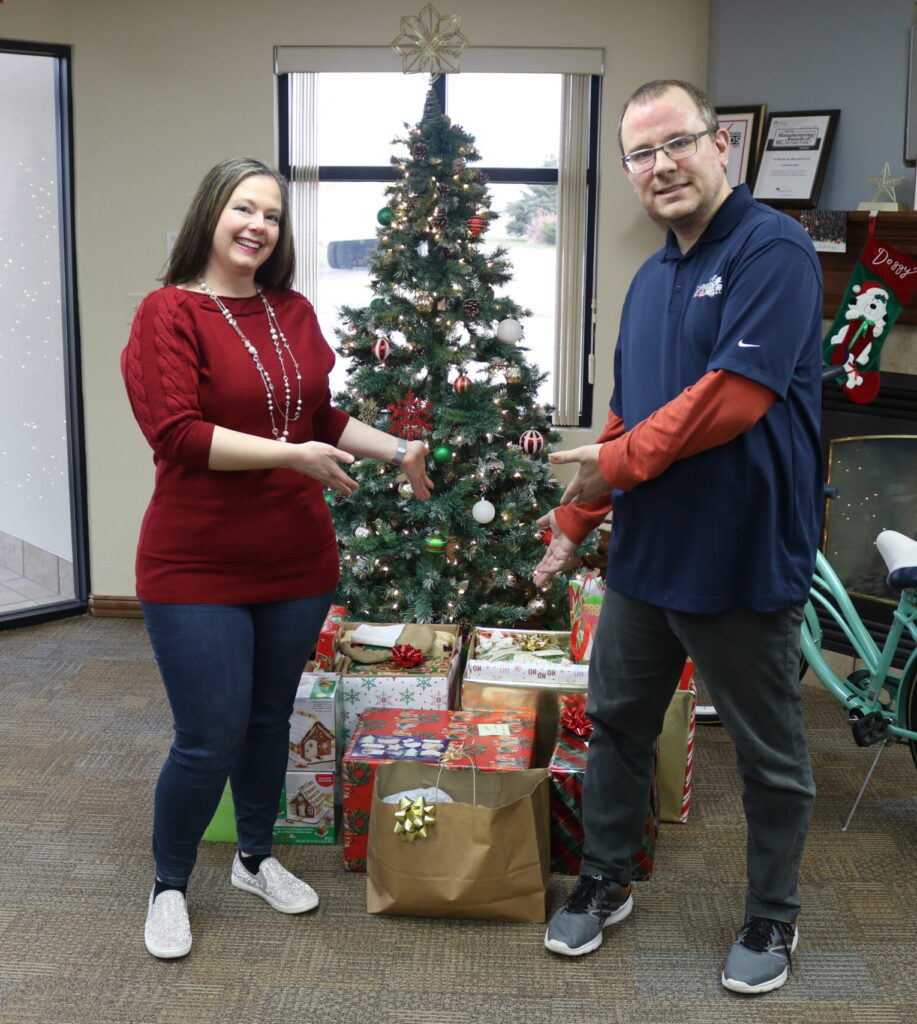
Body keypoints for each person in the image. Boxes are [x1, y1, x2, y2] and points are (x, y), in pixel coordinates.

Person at [533, 80, 822, 996]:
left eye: (676, 144)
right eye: (640, 155)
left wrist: (612, 468)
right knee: (617, 722)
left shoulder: (773, 251)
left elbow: (730, 400)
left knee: (767, 751)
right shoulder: (650, 278)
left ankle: (773, 917)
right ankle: (606, 876)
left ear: (720, 145)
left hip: (739, 555)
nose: (660, 167)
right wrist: (575, 520)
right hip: (647, 558)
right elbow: (630, 413)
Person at [122, 157, 434, 960]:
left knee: (267, 719)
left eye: (271, 214)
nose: (258, 225)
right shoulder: (167, 312)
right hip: (195, 565)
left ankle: (255, 860)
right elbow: (178, 435)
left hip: (294, 558)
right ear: (211, 216)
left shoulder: (290, 309)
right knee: (209, 732)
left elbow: (321, 416)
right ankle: (168, 883)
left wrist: (397, 446)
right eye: (243, 208)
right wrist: (289, 456)